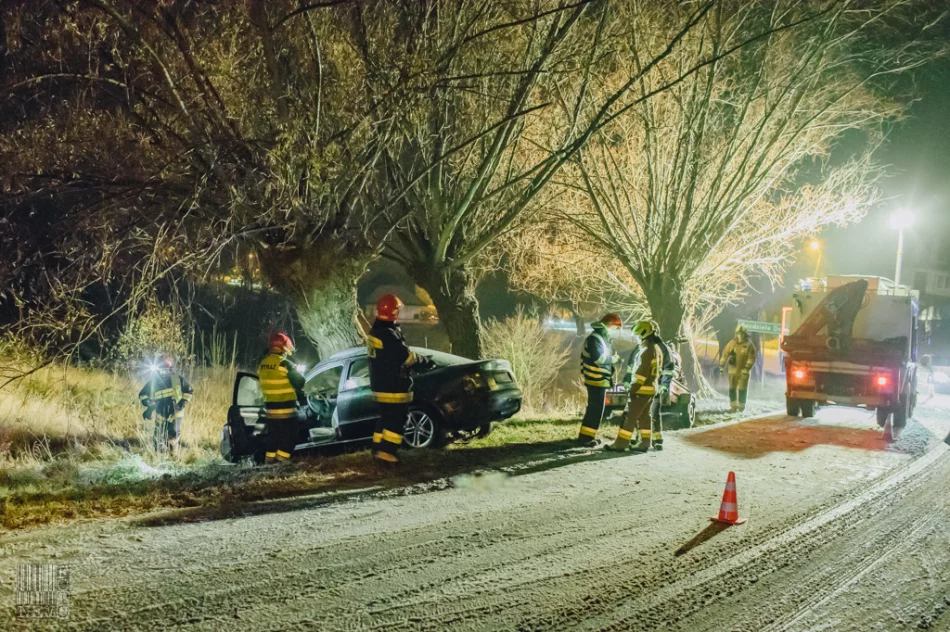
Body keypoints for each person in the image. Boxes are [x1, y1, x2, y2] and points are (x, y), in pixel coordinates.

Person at [367, 294, 423, 464]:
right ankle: (386, 452)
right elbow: (406, 357)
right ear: (393, 312)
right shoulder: (388, 334)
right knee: (398, 419)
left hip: (381, 384)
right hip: (393, 385)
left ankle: (377, 449)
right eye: (398, 309)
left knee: (385, 418)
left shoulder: (376, 331)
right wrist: (423, 360)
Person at [607, 319, 673, 452]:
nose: (636, 338)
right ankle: (644, 443)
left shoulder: (646, 350)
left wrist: (633, 388)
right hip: (650, 389)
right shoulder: (656, 348)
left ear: (643, 334)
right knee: (644, 417)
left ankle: (621, 444)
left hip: (641, 390)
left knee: (629, 416)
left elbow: (641, 373)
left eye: (637, 335)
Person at [258, 331, 306, 464]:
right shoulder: (284, 364)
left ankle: (269, 462)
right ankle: (281, 461)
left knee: (274, 438)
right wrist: (297, 371)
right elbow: (300, 383)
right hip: (286, 410)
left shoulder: (262, 364)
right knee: (290, 437)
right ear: (283, 347)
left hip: (270, 411)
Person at [577, 313, 623, 445]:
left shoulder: (600, 338)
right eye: (614, 328)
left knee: (596, 409)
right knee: (595, 409)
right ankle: (586, 439)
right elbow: (598, 359)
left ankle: (587, 436)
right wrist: (613, 359)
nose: (614, 331)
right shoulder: (596, 338)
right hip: (595, 378)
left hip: (598, 379)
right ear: (608, 324)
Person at [139, 355, 193, 456]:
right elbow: (143, 395)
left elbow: (189, 392)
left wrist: (181, 405)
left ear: (170, 367)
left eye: (166, 367)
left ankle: (173, 455)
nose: (163, 370)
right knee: (158, 435)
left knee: (173, 433)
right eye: (161, 367)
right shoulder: (154, 381)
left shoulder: (177, 379)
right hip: (161, 411)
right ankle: (158, 456)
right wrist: (148, 405)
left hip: (176, 411)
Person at [720, 325, 757, 412]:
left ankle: (741, 407)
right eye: (739, 333)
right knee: (732, 389)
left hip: (743, 372)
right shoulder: (732, 343)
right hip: (732, 371)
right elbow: (725, 354)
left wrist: (746, 368)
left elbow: (751, 358)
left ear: (745, 334)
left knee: (742, 389)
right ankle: (733, 406)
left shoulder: (749, 345)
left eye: (742, 334)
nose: (740, 335)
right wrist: (721, 366)